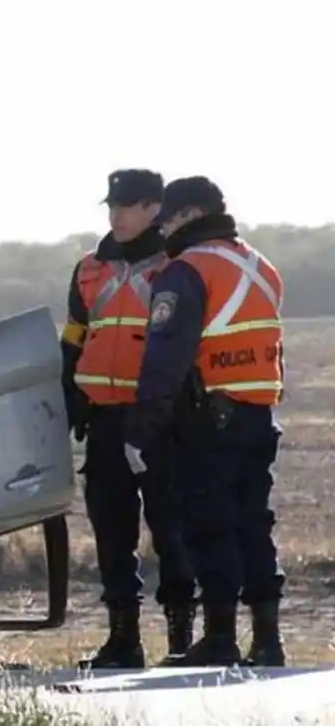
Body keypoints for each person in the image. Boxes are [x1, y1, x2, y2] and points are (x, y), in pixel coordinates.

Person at [125, 176, 286, 667]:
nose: (164, 229)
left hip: (205, 419)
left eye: (169, 219)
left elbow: (166, 357)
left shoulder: (186, 269)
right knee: (254, 524)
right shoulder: (262, 267)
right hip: (257, 414)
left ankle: (219, 638)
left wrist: (140, 429)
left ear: (191, 214)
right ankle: (267, 638)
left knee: (208, 525)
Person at [61, 170, 197, 669]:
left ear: (155, 209)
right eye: (112, 205)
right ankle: (124, 639)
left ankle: (183, 638)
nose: (117, 215)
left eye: (129, 205)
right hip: (105, 420)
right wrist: (70, 395)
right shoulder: (87, 269)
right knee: (112, 532)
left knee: (171, 527)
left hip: (161, 419)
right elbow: (74, 338)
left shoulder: (179, 266)